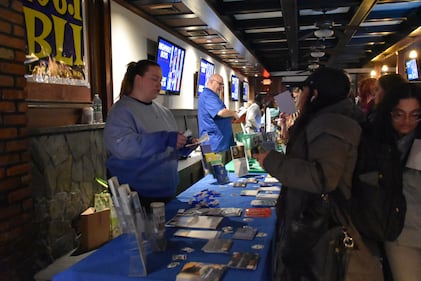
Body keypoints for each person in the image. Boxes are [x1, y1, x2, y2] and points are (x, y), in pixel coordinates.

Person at [253, 67, 365, 280]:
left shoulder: (331, 123)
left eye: (301, 91)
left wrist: (272, 161)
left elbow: (322, 177)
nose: (297, 97)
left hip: (317, 225)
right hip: (313, 220)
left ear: (314, 94)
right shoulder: (328, 119)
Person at [103, 60, 188, 210]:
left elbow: (168, 147)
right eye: (154, 79)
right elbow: (124, 147)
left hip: (167, 194)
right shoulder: (121, 111)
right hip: (138, 201)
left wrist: (183, 146)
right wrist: (165, 139)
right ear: (138, 79)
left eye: (161, 80)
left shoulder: (165, 112)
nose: (159, 84)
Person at [372, 82, 421, 281]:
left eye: (415, 114)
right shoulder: (376, 141)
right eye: (399, 114)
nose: (407, 121)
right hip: (399, 233)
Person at [198, 73, 239, 161]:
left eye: (222, 85)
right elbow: (220, 112)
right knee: (216, 173)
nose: (221, 88)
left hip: (218, 145)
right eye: (219, 84)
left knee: (220, 173)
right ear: (211, 82)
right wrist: (234, 113)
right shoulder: (207, 96)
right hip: (212, 146)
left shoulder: (213, 96)